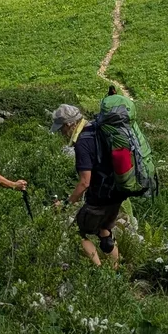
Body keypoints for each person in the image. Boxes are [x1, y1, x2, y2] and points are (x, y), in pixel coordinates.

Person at [49, 103, 121, 267]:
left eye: (61, 129)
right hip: (117, 192)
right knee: (104, 231)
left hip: (99, 196)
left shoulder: (82, 142)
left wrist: (66, 205)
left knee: (77, 232)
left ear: (69, 125)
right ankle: (117, 272)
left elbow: (84, 182)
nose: (62, 133)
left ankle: (99, 272)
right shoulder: (96, 128)